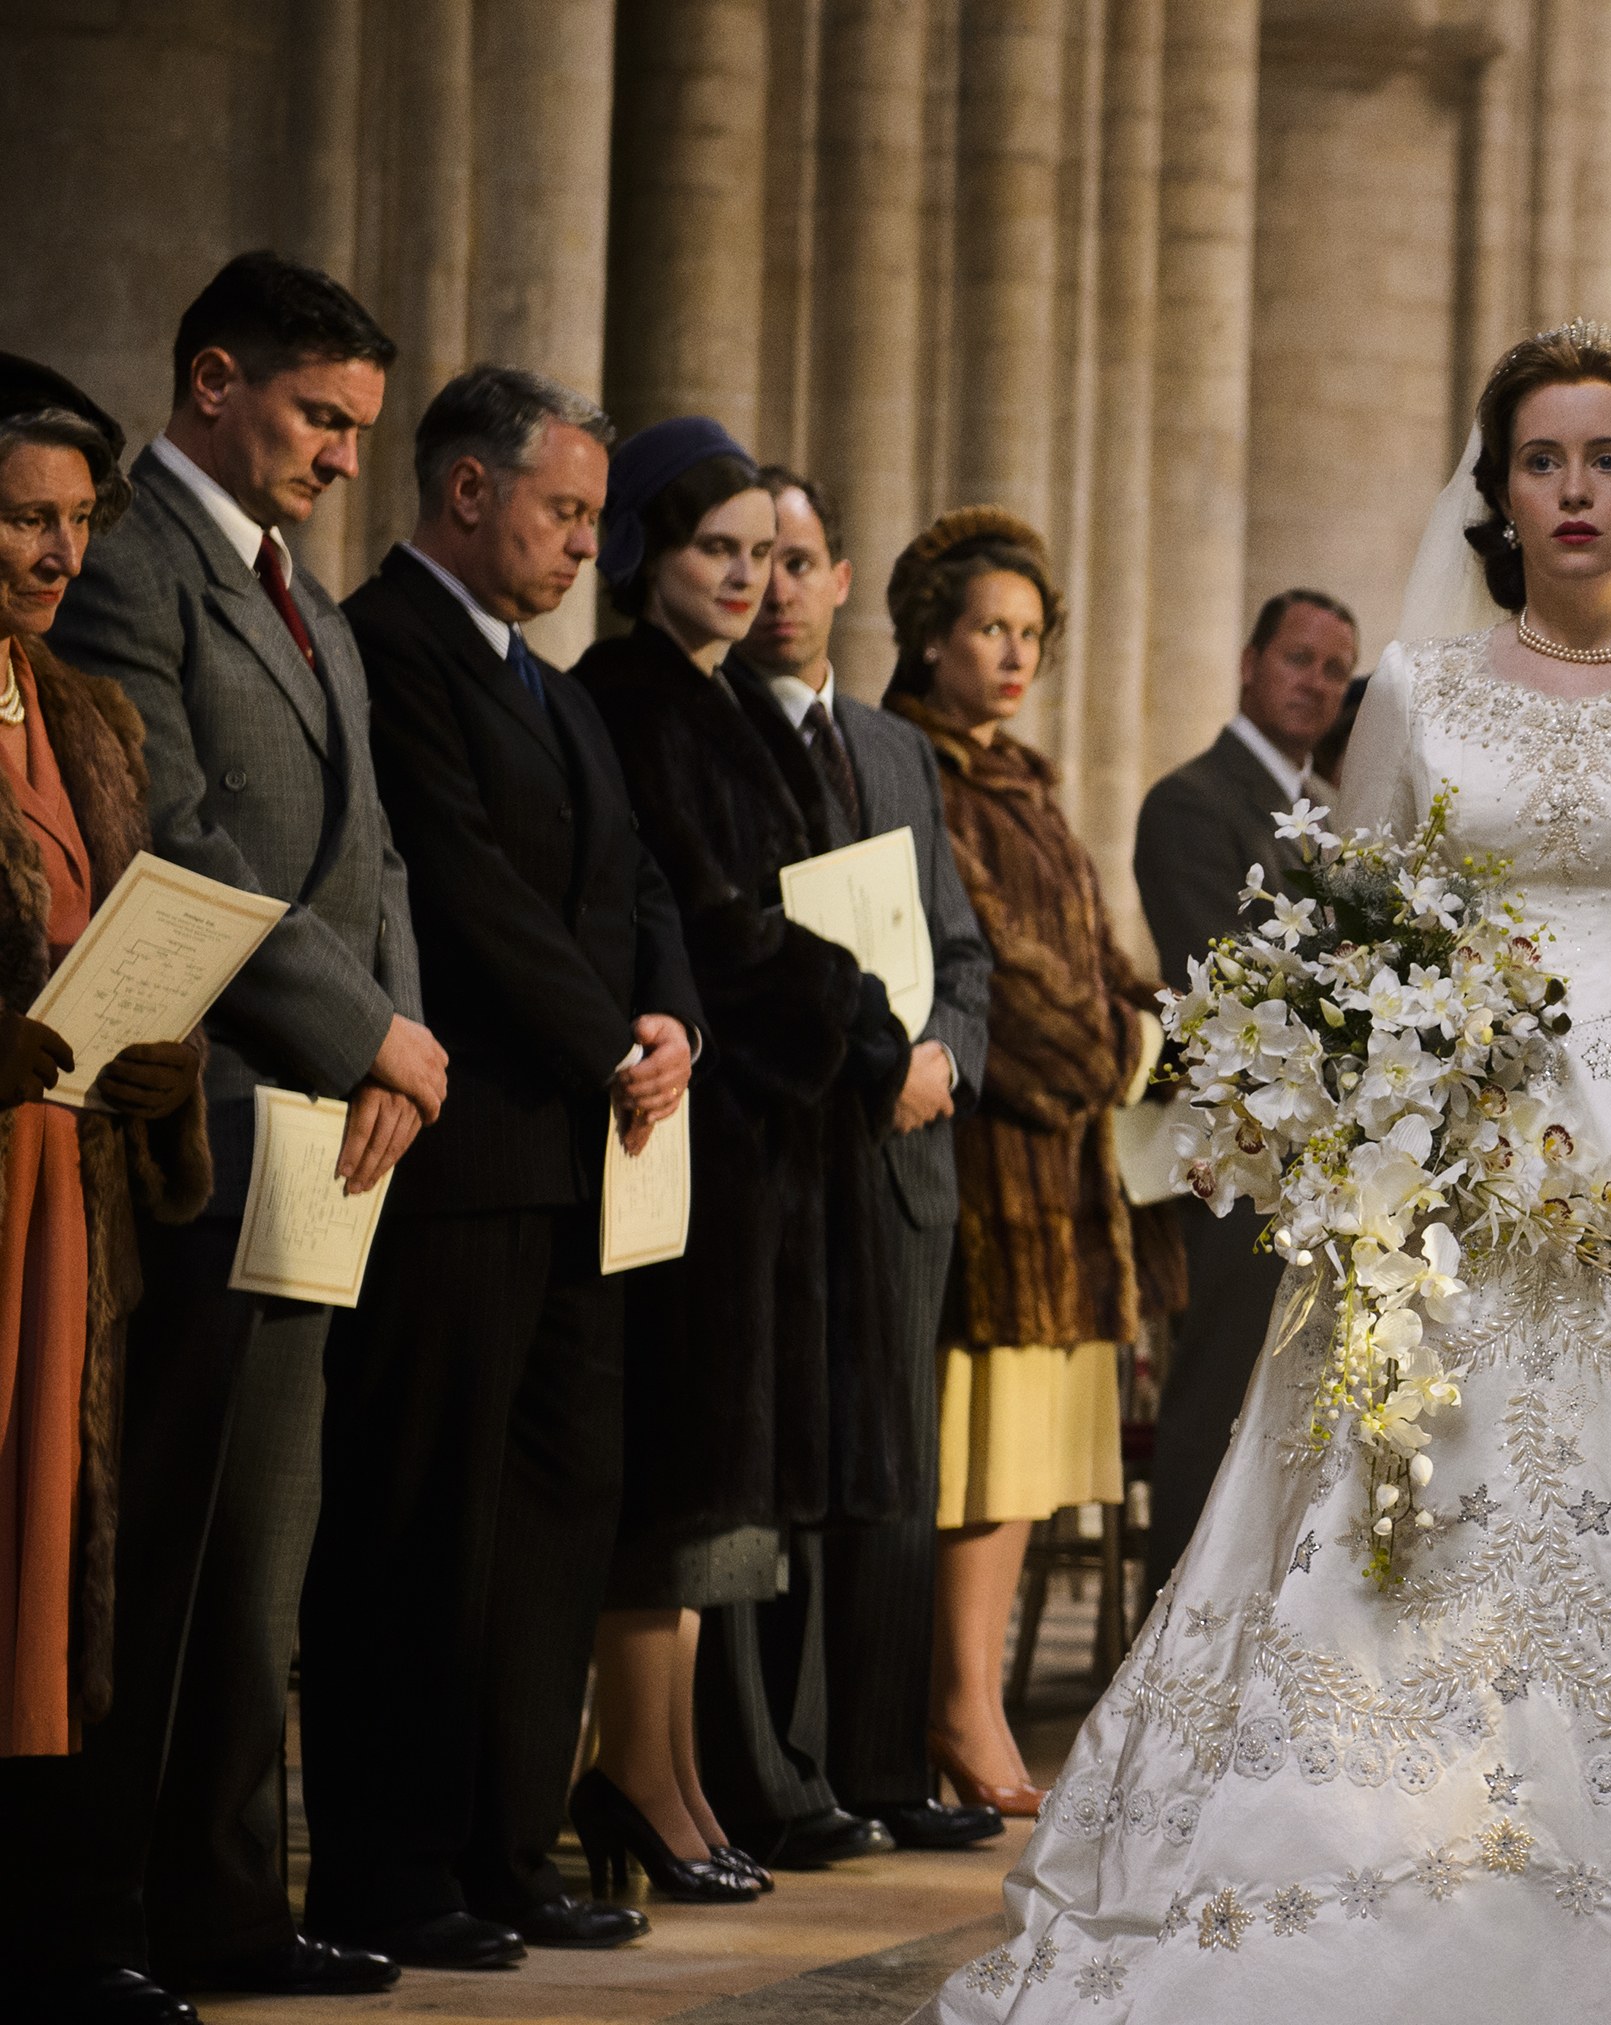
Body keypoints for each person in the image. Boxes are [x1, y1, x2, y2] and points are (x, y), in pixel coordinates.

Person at [926, 322, 1611, 2021]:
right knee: (1410, 1523)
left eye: (1608, 459)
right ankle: (1361, 1868)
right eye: (1542, 460)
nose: (1575, 490)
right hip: (1450, 1172)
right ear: (1498, 490)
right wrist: (1340, 1098)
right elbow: (1351, 930)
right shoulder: (1415, 689)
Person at [47, 252, 435, 2016]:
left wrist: (396, 1048)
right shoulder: (133, 569)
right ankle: (105, 1913)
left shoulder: (306, 598)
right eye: (321, 417)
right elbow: (174, 839)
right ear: (214, 381)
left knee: (263, 1544)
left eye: (358, 426)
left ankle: (224, 1902)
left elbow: (377, 854)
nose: (347, 457)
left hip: (324, 1127)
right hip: (195, 1119)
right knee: (168, 1549)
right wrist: (368, 1032)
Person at [305, 365, 699, 1965]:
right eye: (568, 511)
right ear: (469, 490)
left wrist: (672, 1017)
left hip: (583, 1161)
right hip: (457, 1158)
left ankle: (507, 1847)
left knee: (551, 1523)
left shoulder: (551, 684)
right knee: (425, 1522)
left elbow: (640, 876)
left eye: (597, 519)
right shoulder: (387, 644)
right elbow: (464, 893)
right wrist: (610, 1040)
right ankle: (391, 1870)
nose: (589, 547)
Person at [574, 420, 914, 1905]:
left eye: (767, 555)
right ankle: (641, 1773)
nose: (747, 577)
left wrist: (845, 1006)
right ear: (648, 548)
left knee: (721, 1480)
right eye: (717, 548)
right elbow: (722, 923)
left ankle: (675, 1776)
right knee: (681, 1473)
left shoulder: (717, 701)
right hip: (688, 1128)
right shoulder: (639, 699)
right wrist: (860, 1016)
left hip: (759, 1144)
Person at [690, 464, 1002, 1863]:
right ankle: (774, 1773)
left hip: (902, 1155)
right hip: (780, 1146)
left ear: (840, 579)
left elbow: (962, 951)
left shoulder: (891, 749)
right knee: (773, 1477)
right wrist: (866, 1063)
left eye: (800, 560)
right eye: (753, 559)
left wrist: (945, 1060)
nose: (777, 587)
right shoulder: (708, 731)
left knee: (894, 1476)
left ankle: (884, 1766)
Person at [880, 508, 1161, 1821]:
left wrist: (1156, 1022)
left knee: (1026, 1465)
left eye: (1031, 634)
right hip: (988, 1160)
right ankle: (957, 1703)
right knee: (976, 1456)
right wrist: (1118, 1047)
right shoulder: (917, 770)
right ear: (930, 635)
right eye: (989, 629)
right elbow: (1000, 971)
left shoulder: (1026, 781)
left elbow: (1095, 953)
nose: (1012, 656)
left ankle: (973, 1696)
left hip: (1063, 1175)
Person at [0, 357, 216, 2025]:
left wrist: (164, 1054)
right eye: (22, 517)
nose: (57, 552)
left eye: (77, 520)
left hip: (68, 1186)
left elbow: (129, 920)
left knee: (54, 1558)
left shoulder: (87, 708)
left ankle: (54, 1922)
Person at [1132, 585, 1356, 1589]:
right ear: (1250, 662)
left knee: (1301, 1418)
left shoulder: (1327, 819)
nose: (1317, 683)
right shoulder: (1191, 801)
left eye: (1335, 669)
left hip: (1327, 1161)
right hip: (1239, 1156)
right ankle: (1165, 1634)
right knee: (1217, 1404)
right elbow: (1220, 983)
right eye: (1298, 659)